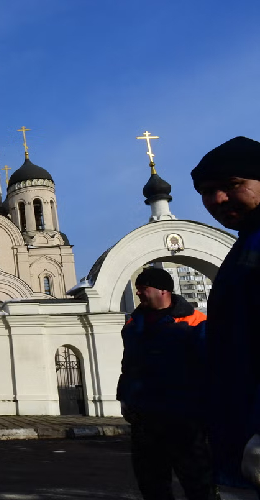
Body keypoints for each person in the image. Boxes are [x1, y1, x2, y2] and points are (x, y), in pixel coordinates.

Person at [192, 136, 260, 493]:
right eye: (207, 191)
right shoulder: (244, 244)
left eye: (233, 185)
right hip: (238, 437)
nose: (218, 199)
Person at [117, 266, 217, 500]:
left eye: (143, 289)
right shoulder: (133, 325)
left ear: (163, 290)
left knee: (197, 483)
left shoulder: (194, 322)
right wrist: (126, 398)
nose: (139, 293)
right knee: (151, 484)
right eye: (138, 289)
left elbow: (208, 367)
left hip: (183, 417)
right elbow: (128, 365)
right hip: (145, 418)